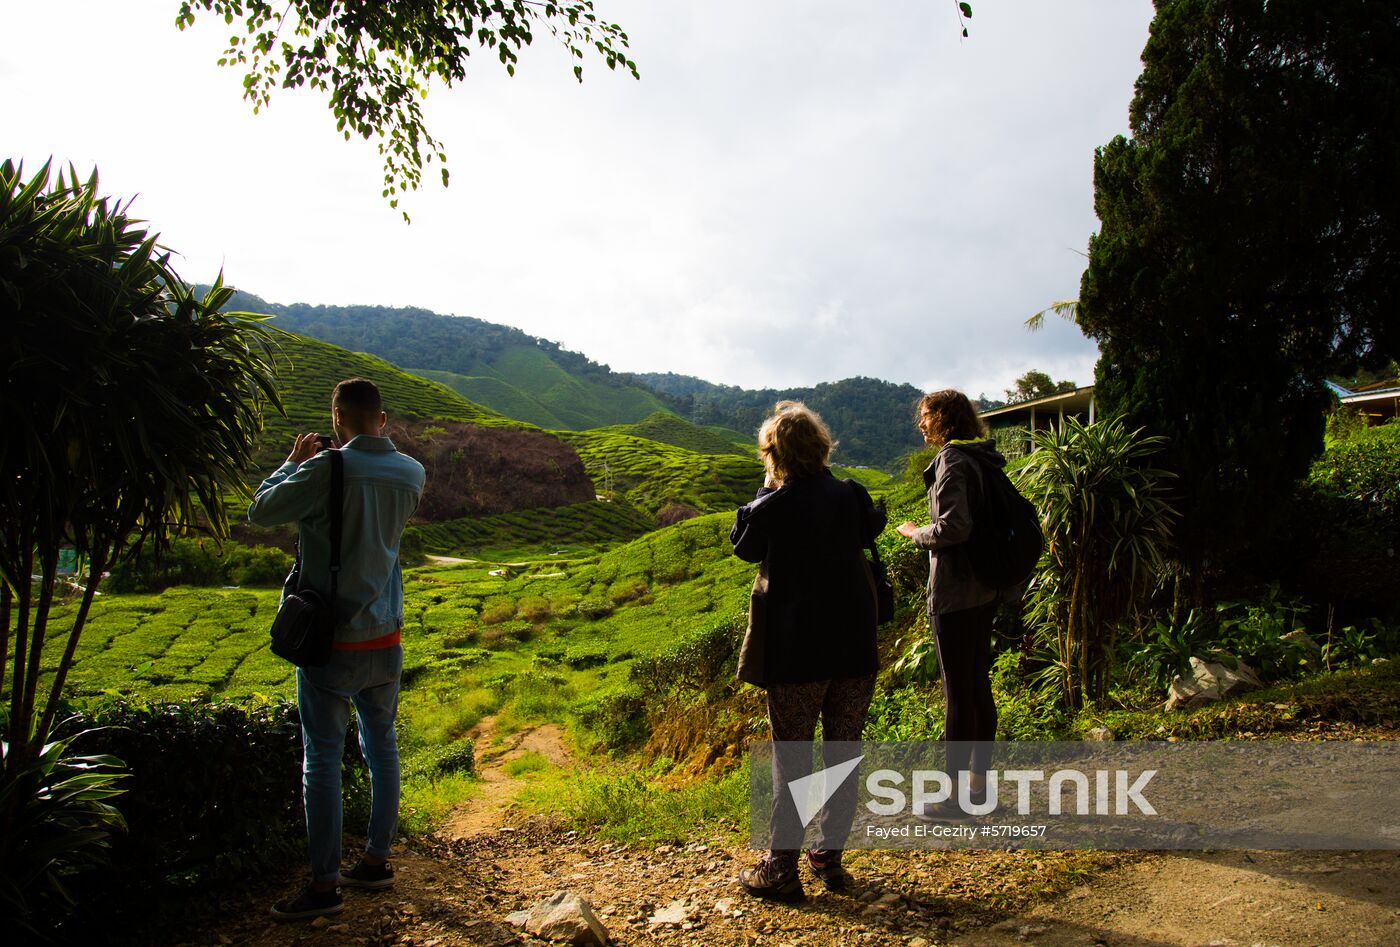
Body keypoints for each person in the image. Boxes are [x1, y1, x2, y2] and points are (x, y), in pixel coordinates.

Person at [249, 378, 426, 921]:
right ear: (382, 418)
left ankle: (324, 887)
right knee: (383, 746)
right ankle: (376, 860)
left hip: (330, 640)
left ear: (337, 418)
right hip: (386, 634)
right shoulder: (412, 472)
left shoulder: (326, 468)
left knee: (322, 758)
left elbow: (262, 511)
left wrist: (291, 463)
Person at [730, 401, 886, 902]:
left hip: (797, 651)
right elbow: (871, 528)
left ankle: (781, 867)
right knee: (844, 749)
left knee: (791, 758)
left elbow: (744, 546)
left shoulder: (772, 506)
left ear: (773, 454)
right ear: (821, 448)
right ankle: (828, 856)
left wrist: (767, 489)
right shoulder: (851, 494)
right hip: (854, 646)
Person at [895, 389, 1003, 819]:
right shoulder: (983, 457)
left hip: (956, 590)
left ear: (942, 416)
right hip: (986, 586)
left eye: (925, 415)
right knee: (977, 685)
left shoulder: (952, 460)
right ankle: (979, 788)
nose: (921, 423)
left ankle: (956, 796)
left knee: (958, 692)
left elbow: (953, 528)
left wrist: (913, 533)